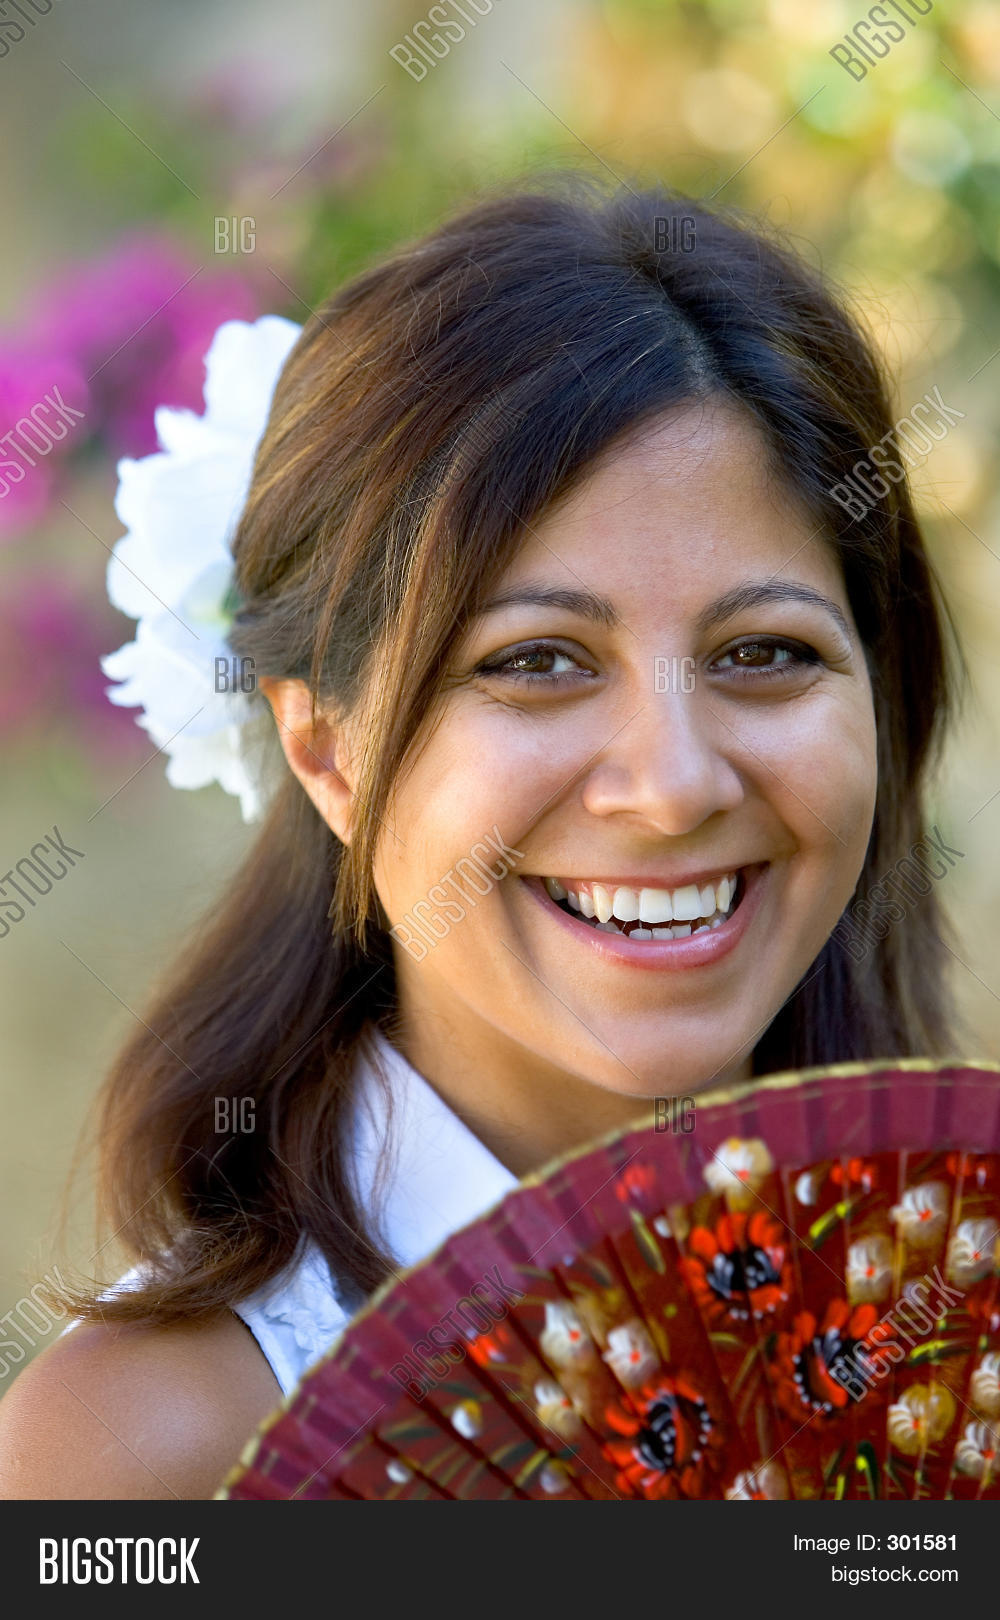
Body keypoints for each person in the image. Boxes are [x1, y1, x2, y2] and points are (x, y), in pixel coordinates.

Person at [0, 175, 962, 1499]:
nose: (673, 788)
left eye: (765, 651)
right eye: (540, 661)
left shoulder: (942, 1330)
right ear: (326, 746)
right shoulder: (156, 1453)